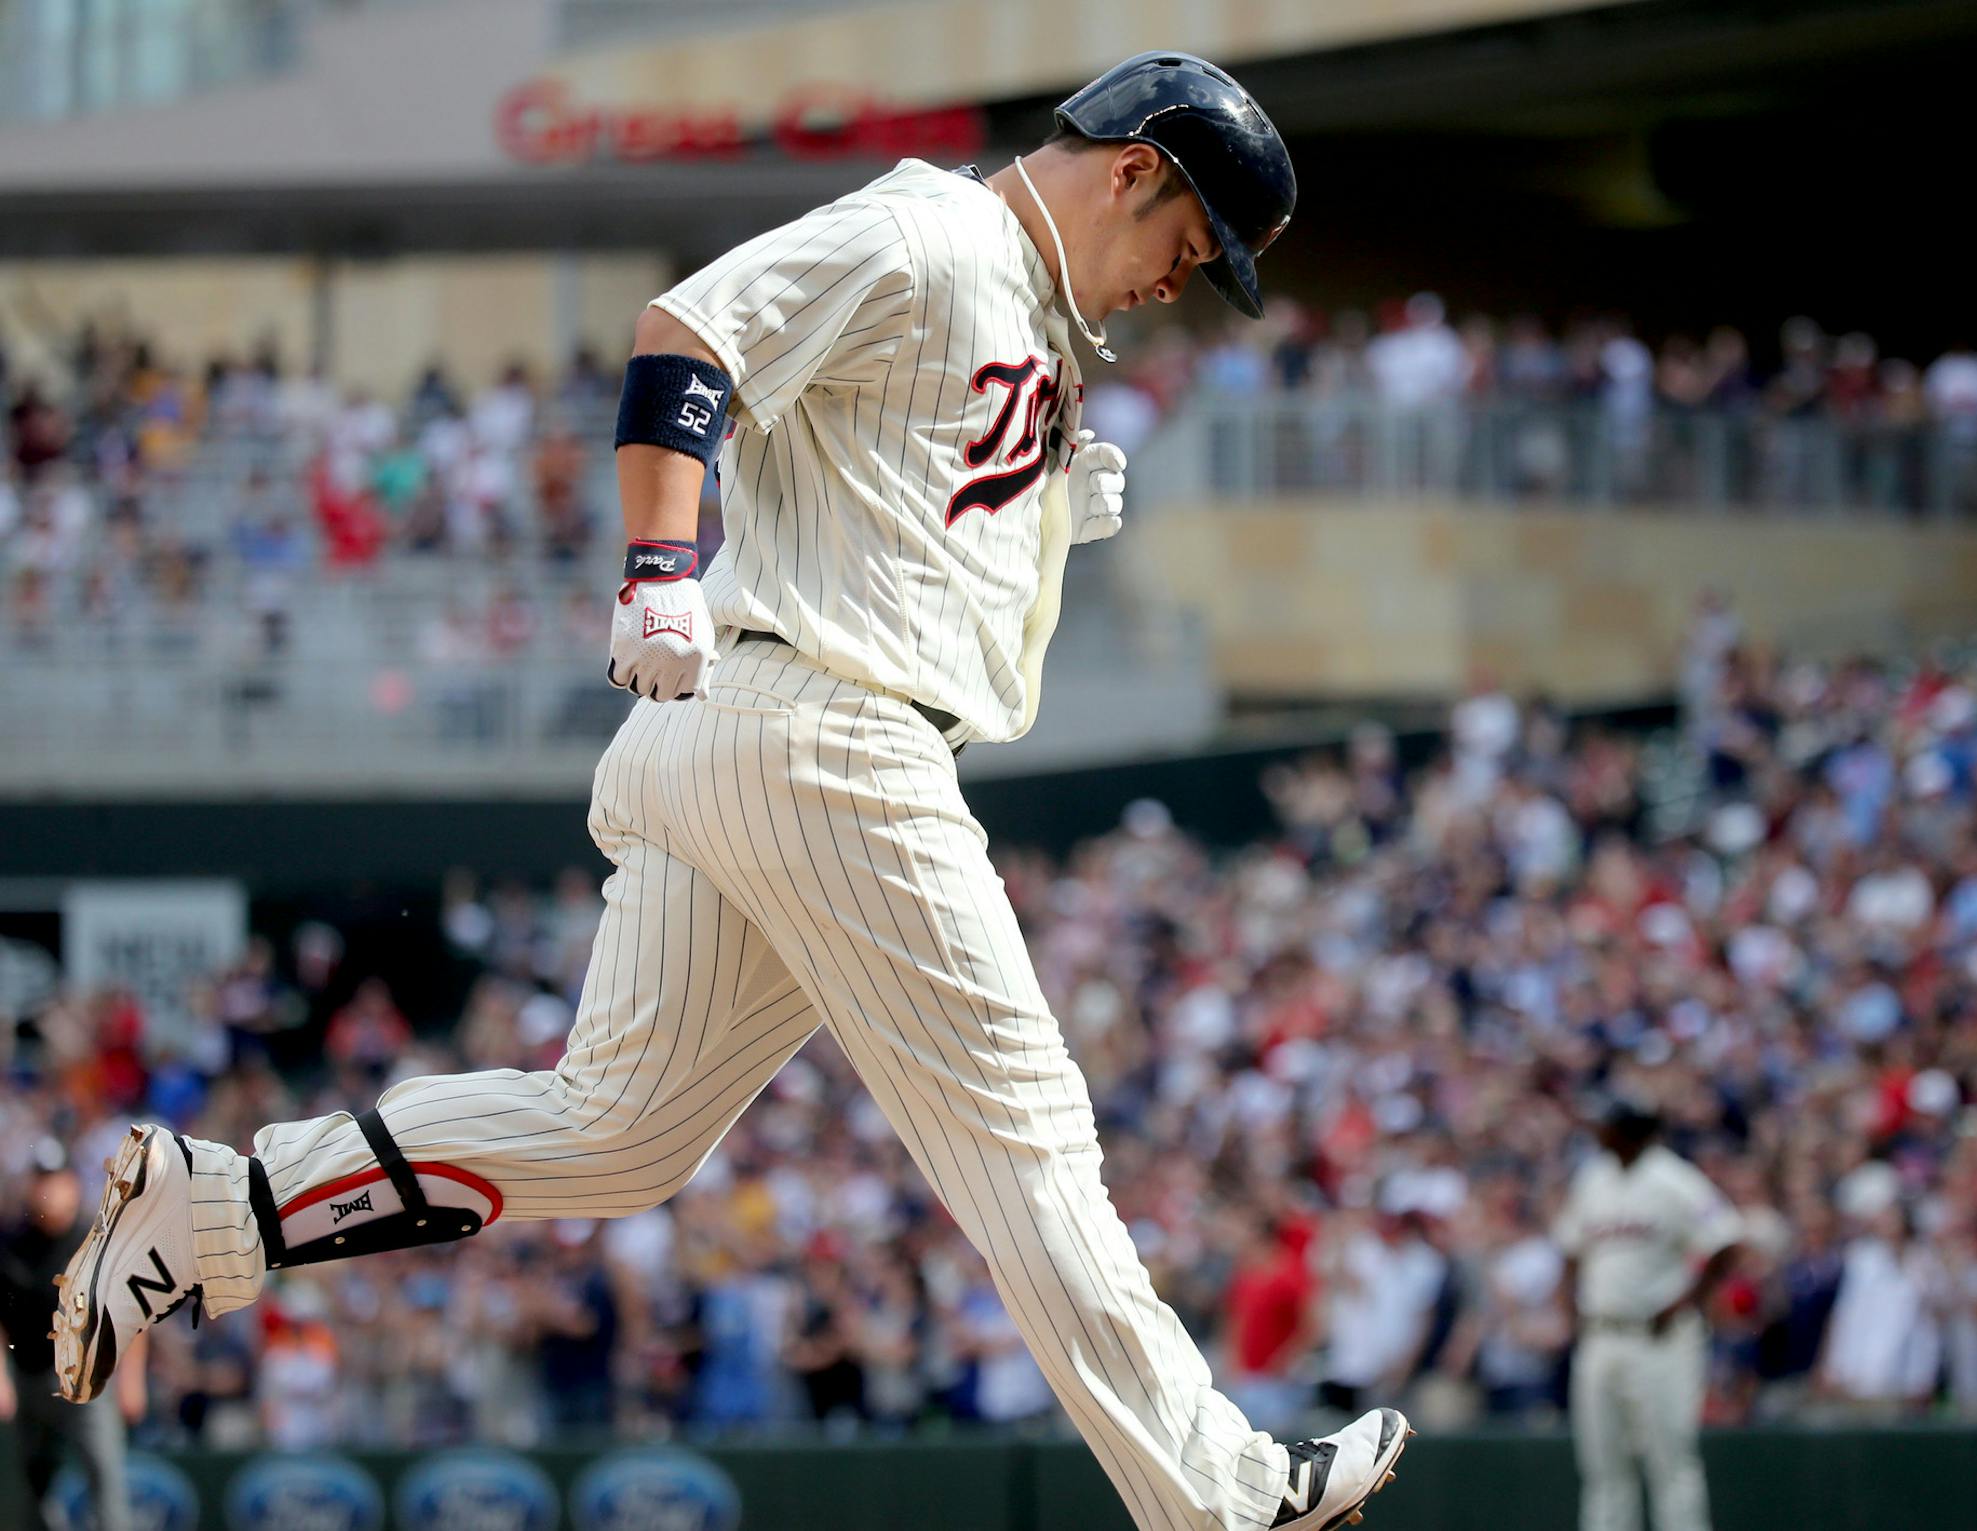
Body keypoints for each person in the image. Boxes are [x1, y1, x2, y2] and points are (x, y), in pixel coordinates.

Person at [51, 51, 1410, 1531]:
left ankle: (222, 1205)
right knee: (1024, 1130)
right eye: (1187, 242)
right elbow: (688, 332)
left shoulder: (1025, 301)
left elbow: (887, 494)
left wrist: (1035, 515)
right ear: (1137, 164)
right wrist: (656, 563)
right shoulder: (933, 231)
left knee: (618, 1130)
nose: (1176, 280)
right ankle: (1217, 1494)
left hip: (766, 740)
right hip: (827, 734)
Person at [1556, 1097, 1744, 1531]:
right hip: (1601, 1334)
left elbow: (1726, 1239)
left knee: (1671, 1464)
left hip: (1660, 1338)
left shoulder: (1674, 1179)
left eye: (1609, 1126)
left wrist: (1685, 1300)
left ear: (1634, 1132)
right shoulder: (1594, 1177)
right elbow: (1569, 1247)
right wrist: (1571, 1310)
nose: (1600, 1134)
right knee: (1603, 1469)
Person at [0, 1139, 144, 1531]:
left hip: (89, 1379)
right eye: (42, 1179)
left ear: (74, 1185)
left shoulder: (96, 1241)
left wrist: (132, 1379)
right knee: (35, 1482)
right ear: (30, 1185)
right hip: (30, 1376)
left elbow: (132, 1311)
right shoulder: (11, 1243)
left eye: (58, 1179)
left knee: (104, 1474)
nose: (50, 1190)